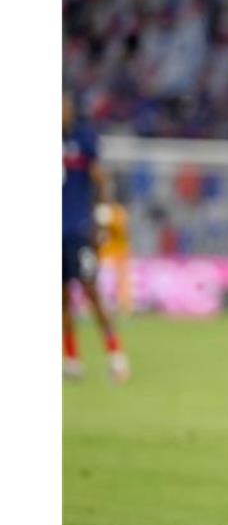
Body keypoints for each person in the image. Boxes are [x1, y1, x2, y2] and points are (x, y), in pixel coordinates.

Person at [63, 92, 129, 383]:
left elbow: (100, 179)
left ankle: (115, 356)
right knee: (60, 299)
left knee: (92, 292)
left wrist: (101, 218)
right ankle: (72, 360)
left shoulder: (84, 140)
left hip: (78, 230)